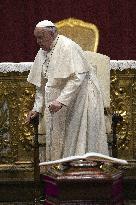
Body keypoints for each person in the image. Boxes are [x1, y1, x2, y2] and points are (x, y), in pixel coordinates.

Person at [26, 20, 109, 162]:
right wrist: (37, 108)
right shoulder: (42, 52)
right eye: (36, 38)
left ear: (52, 34)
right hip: (59, 101)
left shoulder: (68, 47)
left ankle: (81, 171)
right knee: (58, 137)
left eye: (41, 37)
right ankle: (59, 171)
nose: (38, 42)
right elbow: (41, 83)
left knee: (77, 137)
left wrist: (61, 100)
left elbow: (78, 77)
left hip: (81, 97)